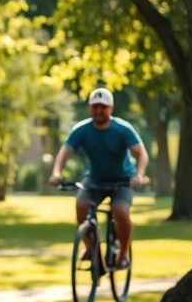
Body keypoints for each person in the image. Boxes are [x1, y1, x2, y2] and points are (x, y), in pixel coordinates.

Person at [48, 87, 149, 269]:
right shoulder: (81, 130)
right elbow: (64, 152)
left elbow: (141, 154)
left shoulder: (123, 129)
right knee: (81, 206)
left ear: (111, 108)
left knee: (119, 210)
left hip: (123, 180)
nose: (99, 111)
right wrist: (56, 172)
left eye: (103, 107)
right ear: (89, 108)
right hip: (95, 180)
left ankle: (123, 254)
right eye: (95, 107)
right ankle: (90, 248)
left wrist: (139, 175)